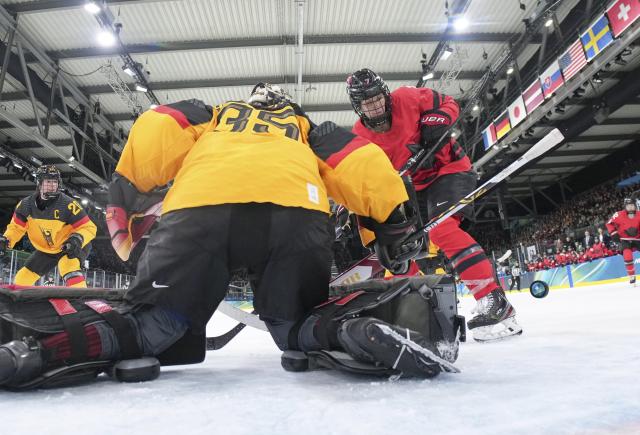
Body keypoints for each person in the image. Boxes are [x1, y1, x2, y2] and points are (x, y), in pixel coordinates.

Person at [0, 85, 461, 389]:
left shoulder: (215, 114)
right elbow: (362, 164)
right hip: (294, 210)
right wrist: (392, 222)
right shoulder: (305, 130)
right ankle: (349, 330)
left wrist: (128, 191)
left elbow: (157, 124)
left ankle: (35, 350)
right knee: (294, 324)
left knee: (154, 322)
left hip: (201, 206)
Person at [345, 68, 521, 341]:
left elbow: (449, 104)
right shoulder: (360, 136)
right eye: (367, 102)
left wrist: (433, 125)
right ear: (358, 107)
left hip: (448, 170)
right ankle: (421, 307)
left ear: (386, 94)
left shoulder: (408, 97)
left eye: (377, 97)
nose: (375, 105)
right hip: (412, 190)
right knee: (395, 250)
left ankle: (494, 301)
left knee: (442, 230)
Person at [0, 165, 96, 287]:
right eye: (48, 181)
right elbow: (16, 228)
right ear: (39, 184)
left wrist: (77, 239)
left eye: (55, 182)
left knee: (68, 267)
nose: (52, 185)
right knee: (22, 278)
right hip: (46, 250)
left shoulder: (68, 204)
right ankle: (21, 305)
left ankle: (81, 301)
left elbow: (89, 227)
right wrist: (6, 239)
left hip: (71, 246)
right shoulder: (25, 205)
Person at [606, 198, 640, 285]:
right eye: (628, 206)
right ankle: (632, 276)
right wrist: (613, 233)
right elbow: (609, 223)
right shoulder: (618, 214)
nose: (631, 207)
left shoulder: (639, 214)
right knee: (627, 256)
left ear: (635, 206)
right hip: (625, 240)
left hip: (638, 239)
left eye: (632, 205)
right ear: (625, 206)